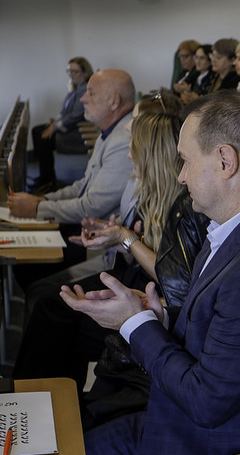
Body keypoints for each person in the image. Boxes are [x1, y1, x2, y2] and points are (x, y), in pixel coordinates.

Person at [58, 90, 240, 455]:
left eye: (185, 161)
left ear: (225, 160)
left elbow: (206, 401)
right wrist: (156, 315)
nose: (180, 176)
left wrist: (134, 325)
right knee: (62, 453)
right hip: (182, 426)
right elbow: (220, 332)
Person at [14, 94, 208, 403]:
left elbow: (172, 280)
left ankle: (37, 402)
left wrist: (125, 238)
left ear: (149, 153)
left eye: (134, 146)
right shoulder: (152, 190)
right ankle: (45, 401)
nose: (129, 155)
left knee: (53, 311)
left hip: (155, 301)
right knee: (49, 304)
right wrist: (120, 240)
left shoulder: (184, 204)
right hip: (137, 283)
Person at [9, 69, 134, 225]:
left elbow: (92, 207)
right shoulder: (110, 132)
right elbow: (84, 186)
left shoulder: (123, 141)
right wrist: (43, 199)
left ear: (114, 102)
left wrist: (37, 208)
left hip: (101, 240)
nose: (83, 98)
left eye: (91, 93)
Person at [29, 56, 93, 193]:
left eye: (74, 71)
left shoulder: (85, 89)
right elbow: (64, 111)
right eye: (69, 71)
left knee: (43, 139)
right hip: (69, 128)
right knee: (36, 130)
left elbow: (77, 115)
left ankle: (48, 181)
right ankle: (45, 177)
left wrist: (55, 126)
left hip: (78, 132)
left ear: (85, 72)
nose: (70, 74)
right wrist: (55, 123)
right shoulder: (75, 89)